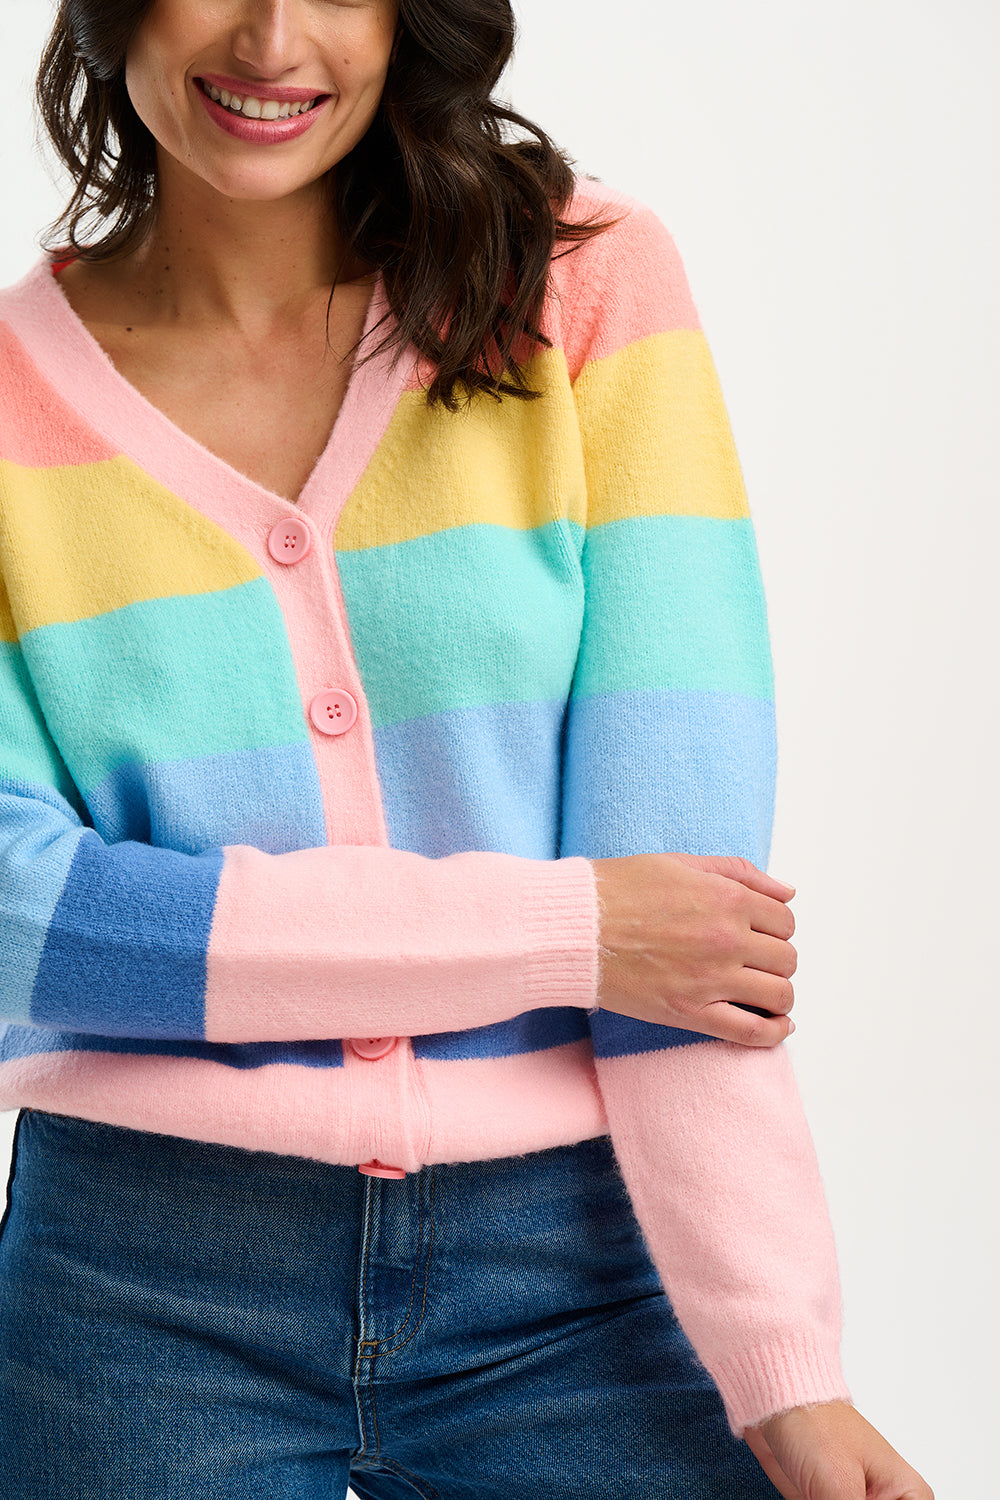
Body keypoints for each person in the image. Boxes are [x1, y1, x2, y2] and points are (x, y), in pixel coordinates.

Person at [0, 2, 932, 1497]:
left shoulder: (580, 289)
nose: (272, 38)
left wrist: (783, 1364)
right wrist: (574, 933)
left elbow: (690, 921)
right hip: (133, 1289)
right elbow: (25, 924)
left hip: (586, 1269)